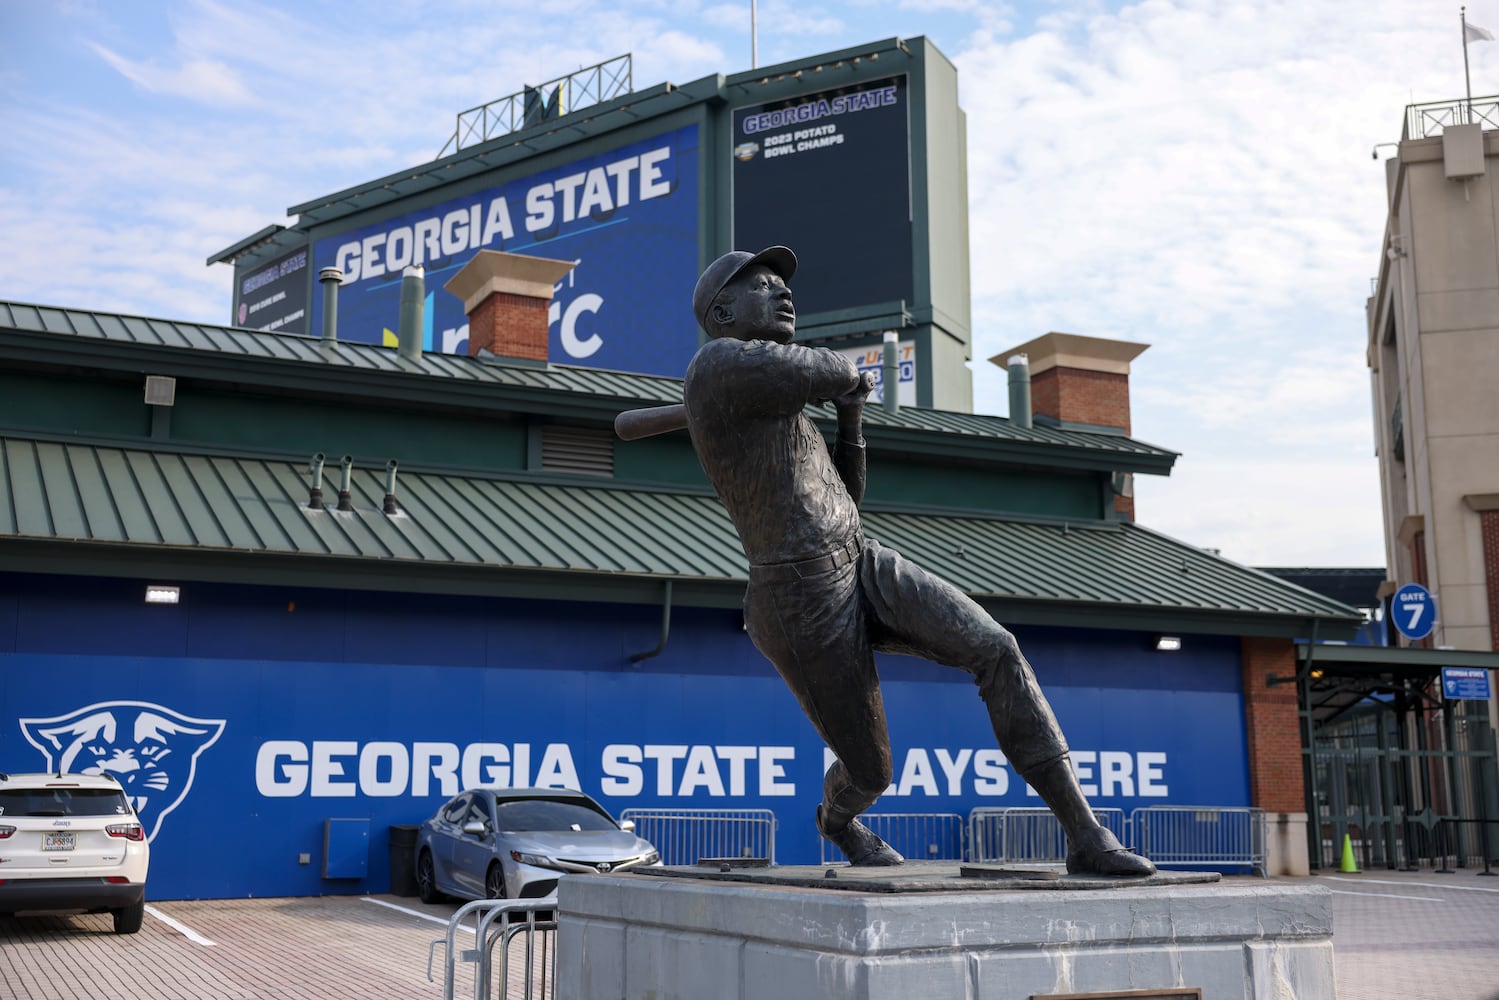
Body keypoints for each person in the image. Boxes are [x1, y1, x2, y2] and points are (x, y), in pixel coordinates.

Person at [682, 246, 1155, 876]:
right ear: (722, 312)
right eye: (764, 287)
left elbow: (844, 498)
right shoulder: (717, 367)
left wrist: (851, 416)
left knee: (995, 647)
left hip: (862, 561)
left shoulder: (772, 396)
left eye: (781, 285)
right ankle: (836, 819)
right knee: (873, 773)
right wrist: (845, 381)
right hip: (799, 599)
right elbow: (822, 367)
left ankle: (1087, 836)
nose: (783, 294)